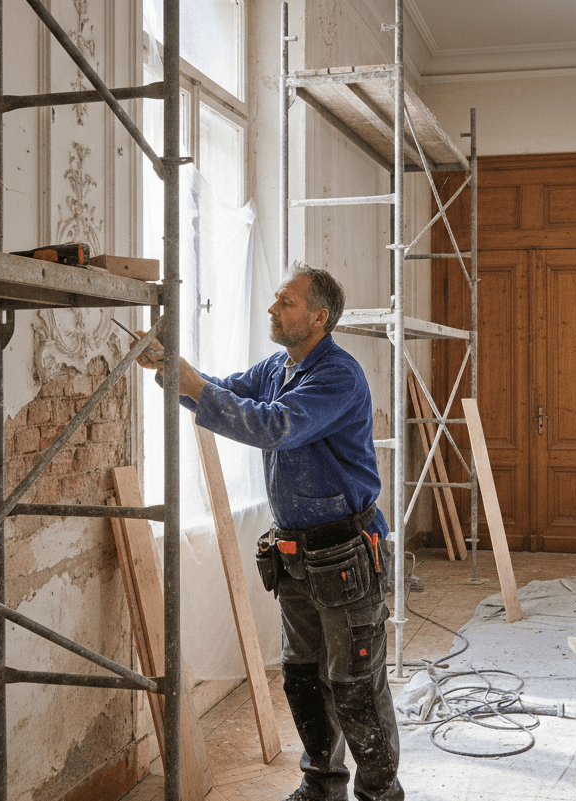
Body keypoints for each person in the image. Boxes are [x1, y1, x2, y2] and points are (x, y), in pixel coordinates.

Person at [133, 262, 404, 801]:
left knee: (356, 686)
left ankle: (379, 794)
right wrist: (172, 372)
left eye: (287, 302)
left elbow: (274, 426)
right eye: (276, 301)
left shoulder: (338, 375)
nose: (273, 310)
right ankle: (321, 785)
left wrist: (192, 384)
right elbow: (222, 393)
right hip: (296, 555)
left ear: (319, 316)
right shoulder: (279, 367)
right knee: (304, 679)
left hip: (346, 553)